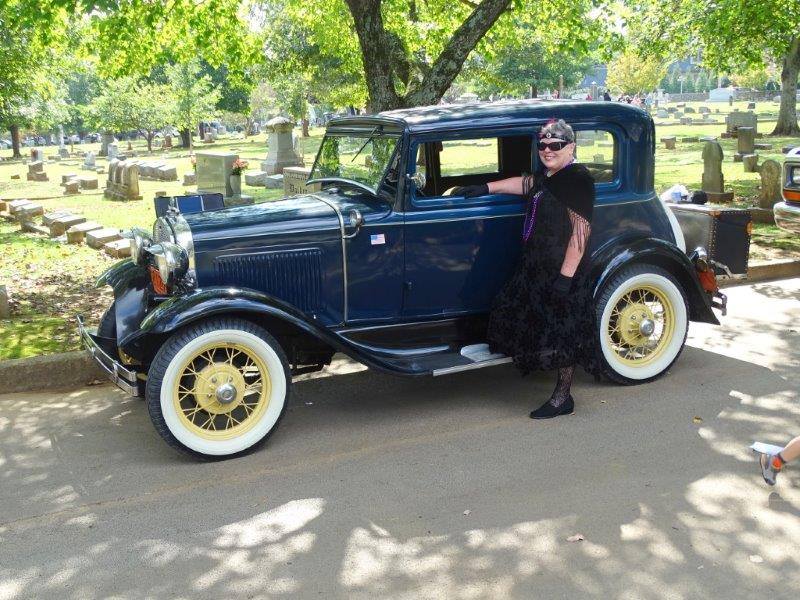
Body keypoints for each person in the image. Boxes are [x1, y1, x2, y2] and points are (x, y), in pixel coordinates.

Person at [452, 119, 597, 419]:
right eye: (542, 145)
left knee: (562, 331)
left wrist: (565, 279)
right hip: (536, 266)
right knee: (517, 312)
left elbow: (580, 233)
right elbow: (525, 184)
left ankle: (562, 398)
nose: (547, 150)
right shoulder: (548, 176)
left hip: (561, 270)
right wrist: (484, 187)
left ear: (570, 147)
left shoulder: (577, 179)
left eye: (555, 145)